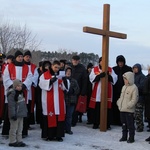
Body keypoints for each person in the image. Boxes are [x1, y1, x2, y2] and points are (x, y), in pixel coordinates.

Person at [2, 50, 32, 137]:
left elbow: (29, 78)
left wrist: (23, 86)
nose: (20, 58)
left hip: (22, 91)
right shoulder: (9, 66)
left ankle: (22, 132)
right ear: (15, 57)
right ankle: (7, 132)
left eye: (21, 57)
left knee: (21, 110)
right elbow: (6, 78)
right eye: (19, 56)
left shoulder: (26, 67)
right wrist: (14, 87)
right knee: (11, 110)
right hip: (12, 91)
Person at [39, 60, 66, 142]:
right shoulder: (45, 75)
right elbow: (41, 84)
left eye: (58, 68)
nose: (57, 69)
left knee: (59, 117)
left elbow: (65, 88)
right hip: (48, 100)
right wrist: (50, 81)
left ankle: (59, 135)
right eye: (55, 67)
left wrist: (64, 81)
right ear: (52, 66)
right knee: (49, 116)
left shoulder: (60, 75)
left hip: (59, 100)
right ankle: (49, 135)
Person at [89, 57, 117, 129]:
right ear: (99, 62)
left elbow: (115, 78)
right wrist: (98, 76)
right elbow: (91, 78)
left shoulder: (110, 69)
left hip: (107, 92)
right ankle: (96, 123)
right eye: (102, 61)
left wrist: (109, 76)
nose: (103, 62)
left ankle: (107, 124)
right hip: (97, 92)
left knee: (107, 108)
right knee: (97, 108)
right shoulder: (94, 69)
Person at [117, 72, 138, 143]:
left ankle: (131, 137)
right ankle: (124, 136)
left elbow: (134, 99)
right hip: (122, 109)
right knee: (124, 124)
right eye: (124, 79)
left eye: (125, 79)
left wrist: (129, 105)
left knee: (130, 125)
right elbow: (121, 97)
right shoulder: (124, 87)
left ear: (129, 79)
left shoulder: (134, 88)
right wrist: (119, 103)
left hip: (129, 110)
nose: (124, 80)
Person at [112, 55, 132, 126]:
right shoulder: (114, 69)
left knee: (123, 106)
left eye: (121, 62)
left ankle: (123, 121)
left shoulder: (128, 69)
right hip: (115, 90)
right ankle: (114, 120)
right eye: (119, 62)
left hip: (125, 90)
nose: (120, 64)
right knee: (115, 105)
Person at [7, 79, 28, 147]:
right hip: (15, 114)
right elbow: (11, 106)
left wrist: (25, 112)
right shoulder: (12, 94)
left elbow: (23, 104)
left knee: (20, 128)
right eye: (18, 86)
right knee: (14, 128)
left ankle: (19, 140)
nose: (20, 87)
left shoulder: (21, 93)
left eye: (21, 86)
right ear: (15, 86)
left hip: (21, 114)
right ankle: (12, 141)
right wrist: (13, 114)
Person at [71, 55, 87, 126]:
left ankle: (74, 121)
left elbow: (85, 80)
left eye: (76, 60)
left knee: (75, 107)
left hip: (78, 90)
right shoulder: (69, 67)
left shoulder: (82, 68)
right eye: (74, 60)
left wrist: (83, 92)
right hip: (69, 90)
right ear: (72, 60)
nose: (75, 61)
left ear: (79, 61)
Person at [23, 50, 39, 126]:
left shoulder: (33, 66)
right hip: (23, 87)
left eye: (29, 57)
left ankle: (28, 122)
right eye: (26, 56)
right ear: (23, 57)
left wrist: (31, 82)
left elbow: (36, 76)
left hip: (31, 89)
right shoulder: (21, 65)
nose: (28, 58)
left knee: (29, 104)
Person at [63, 67, 79, 135]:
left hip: (71, 101)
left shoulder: (74, 81)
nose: (68, 72)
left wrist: (72, 90)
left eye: (70, 71)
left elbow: (78, 89)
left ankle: (68, 129)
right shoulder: (62, 80)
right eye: (67, 71)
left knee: (69, 116)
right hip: (63, 100)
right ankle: (62, 129)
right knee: (63, 116)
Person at [132, 63, 146, 132]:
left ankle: (140, 126)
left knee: (139, 113)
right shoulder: (133, 76)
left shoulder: (142, 77)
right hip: (133, 97)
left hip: (140, 97)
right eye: (134, 68)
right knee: (133, 113)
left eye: (136, 68)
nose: (135, 69)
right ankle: (134, 125)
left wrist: (134, 86)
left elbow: (142, 87)